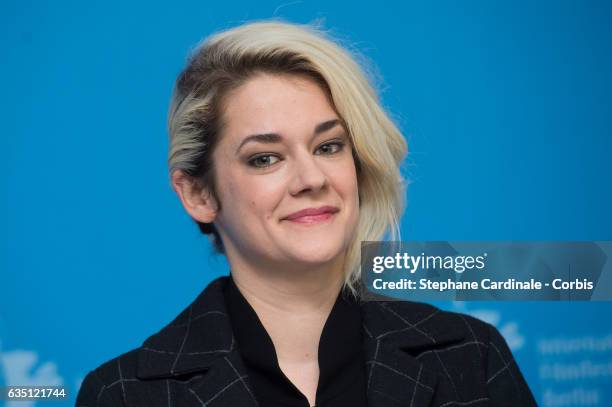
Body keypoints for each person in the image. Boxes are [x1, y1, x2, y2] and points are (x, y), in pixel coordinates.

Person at [76, 20, 537, 407]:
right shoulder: (123, 394)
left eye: (328, 146)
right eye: (265, 158)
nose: (311, 178)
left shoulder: (470, 358)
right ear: (199, 193)